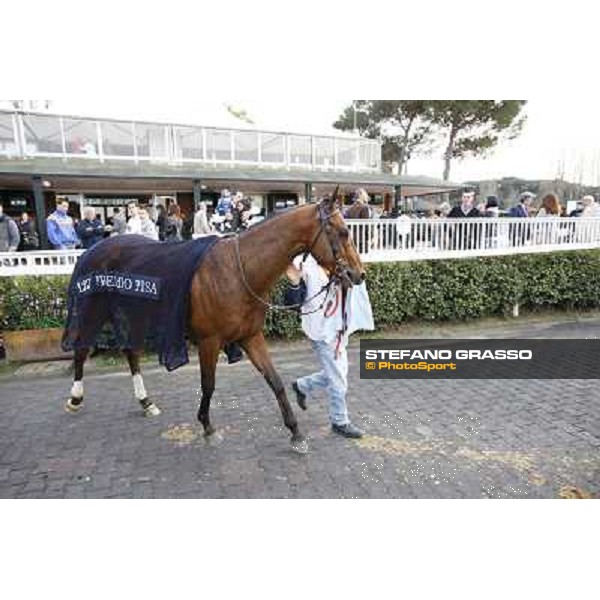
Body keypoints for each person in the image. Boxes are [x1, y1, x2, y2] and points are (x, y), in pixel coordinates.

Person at [286, 254, 375, 439]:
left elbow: (355, 281)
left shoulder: (340, 261)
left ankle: (301, 386)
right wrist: (294, 282)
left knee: (336, 374)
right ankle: (339, 421)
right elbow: (293, 303)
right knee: (338, 381)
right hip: (322, 332)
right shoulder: (305, 265)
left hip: (338, 329)